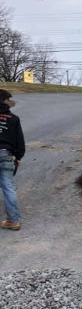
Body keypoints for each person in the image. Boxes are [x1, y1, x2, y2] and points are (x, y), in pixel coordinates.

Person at [0, 89, 25, 231]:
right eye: (8, 100)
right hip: (6, 154)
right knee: (8, 186)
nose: (9, 103)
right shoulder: (14, 119)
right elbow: (20, 142)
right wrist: (18, 157)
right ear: (4, 101)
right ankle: (13, 221)